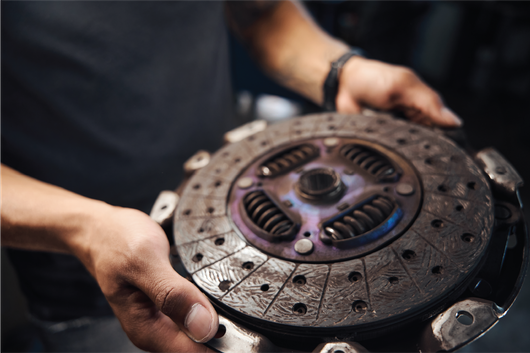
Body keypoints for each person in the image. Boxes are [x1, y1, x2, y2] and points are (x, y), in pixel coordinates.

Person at [0, 1, 462, 352]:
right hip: (100, 290)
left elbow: (262, 14)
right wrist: (85, 230)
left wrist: (341, 71)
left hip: (238, 216)